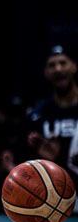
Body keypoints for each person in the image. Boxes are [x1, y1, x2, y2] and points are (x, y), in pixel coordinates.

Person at [28, 44, 78, 181]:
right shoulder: (37, 114)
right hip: (54, 188)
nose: (58, 69)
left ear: (74, 66)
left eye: (63, 63)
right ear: (46, 72)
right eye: (52, 65)